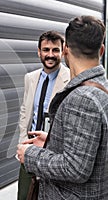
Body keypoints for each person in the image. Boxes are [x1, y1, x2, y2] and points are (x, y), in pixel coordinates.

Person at [17, 15, 108, 199]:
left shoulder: (83, 98)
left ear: (65, 50)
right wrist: (51, 142)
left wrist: (30, 155)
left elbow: (76, 168)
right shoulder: (100, 86)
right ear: (102, 50)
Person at [17, 31, 70, 200]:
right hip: (29, 149)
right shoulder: (30, 78)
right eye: (46, 49)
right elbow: (26, 113)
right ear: (39, 51)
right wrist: (21, 143)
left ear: (63, 52)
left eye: (55, 50)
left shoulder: (71, 78)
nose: (50, 55)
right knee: (25, 196)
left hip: (54, 154)